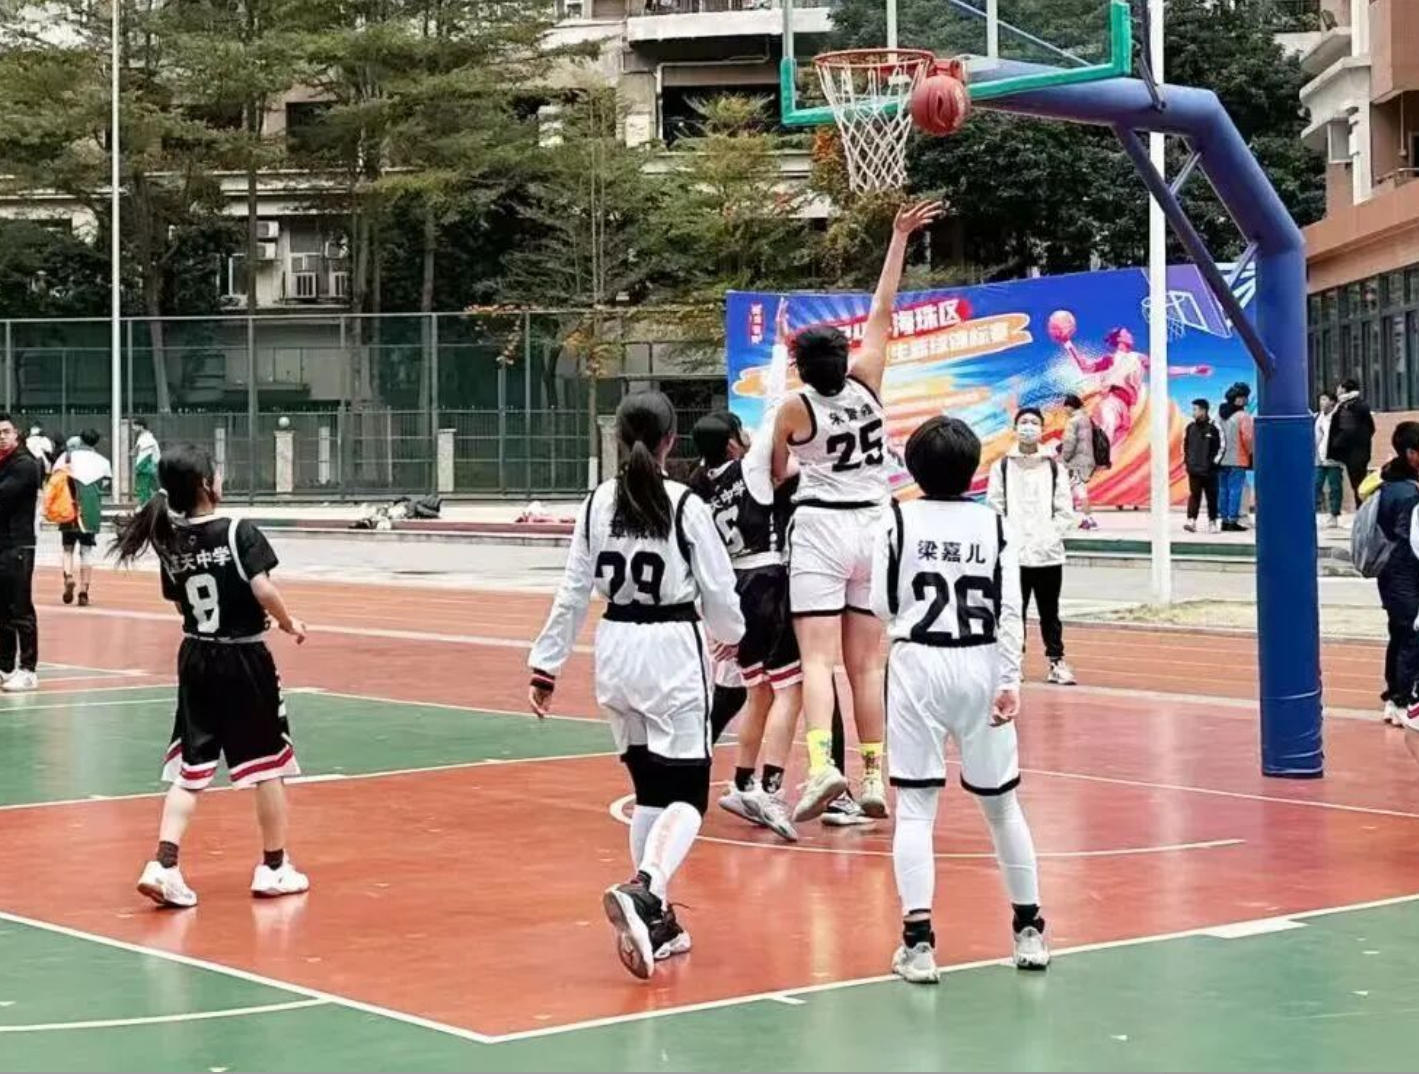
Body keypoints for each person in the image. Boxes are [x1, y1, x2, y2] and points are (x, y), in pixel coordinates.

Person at [528, 391, 744, 980]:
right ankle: (646, 889)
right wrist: (733, 635)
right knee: (689, 795)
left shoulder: (597, 502)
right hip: (671, 650)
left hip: (616, 649)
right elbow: (719, 587)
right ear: (671, 440)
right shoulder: (684, 504)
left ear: (620, 439)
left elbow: (573, 590)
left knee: (650, 790)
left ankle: (659, 920)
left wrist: (546, 666)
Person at [771, 199, 941, 823]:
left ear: (800, 366)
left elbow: (777, 473)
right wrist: (898, 239)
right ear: (844, 359)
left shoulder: (794, 408)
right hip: (876, 524)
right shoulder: (868, 377)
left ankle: (821, 765)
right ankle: (873, 777)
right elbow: (882, 309)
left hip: (821, 524)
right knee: (868, 666)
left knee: (817, 659)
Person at [871, 416, 1049, 983]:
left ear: (914, 468)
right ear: (973, 467)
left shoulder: (897, 520)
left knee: (916, 807)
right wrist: (1010, 679)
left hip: (917, 664)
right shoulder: (994, 525)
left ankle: (919, 944)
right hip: (981, 661)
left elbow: (880, 604)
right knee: (1003, 807)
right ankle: (1029, 932)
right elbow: (1012, 608)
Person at [112, 443, 309, 908]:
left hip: (196, 655)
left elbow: (179, 600)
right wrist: (288, 622)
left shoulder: (170, 538)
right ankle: (274, 867)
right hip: (244, 658)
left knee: (190, 767)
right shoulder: (239, 530)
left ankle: (164, 863)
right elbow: (262, 587)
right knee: (269, 764)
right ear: (206, 483)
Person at [689, 410, 800, 843]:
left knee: (759, 691)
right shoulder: (750, 468)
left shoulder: (702, 489)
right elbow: (778, 417)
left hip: (734, 585)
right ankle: (771, 789)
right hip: (766, 581)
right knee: (792, 688)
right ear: (734, 442)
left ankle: (741, 782)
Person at [987, 407, 1077, 685]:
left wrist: (1050, 535)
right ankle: (1013, 663)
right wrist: (1007, 539)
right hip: (1013, 556)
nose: (1028, 427)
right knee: (1013, 612)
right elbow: (995, 507)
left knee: (1050, 612)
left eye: (1034, 422)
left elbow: (1065, 511)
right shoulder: (1002, 467)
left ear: (1042, 429)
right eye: (1023, 422)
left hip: (1048, 555)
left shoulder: (1054, 468)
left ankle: (1056, 662)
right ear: (1015, 428)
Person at [1369, 423, 1419, 729]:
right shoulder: (1409, 493)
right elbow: (1409, 539)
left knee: (1399, 633)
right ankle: (1403, 701)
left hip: (1390, 572)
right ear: (1412, 453)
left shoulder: (1388, 482)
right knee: (1411, 635)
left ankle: (1393, 698)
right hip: (1404, 572)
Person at [0, 415, 42, 693]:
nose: (1, 437)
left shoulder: (24, 464)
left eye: (6, 431)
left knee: (20, 608)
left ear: (17, 434)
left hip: (18, 545)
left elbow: (3, 497)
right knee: (2, 609)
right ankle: (5, 667)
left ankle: (28, 669)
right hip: (2, 544)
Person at [58, 429, 112, 606]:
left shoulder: (66, 457)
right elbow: (105, 484)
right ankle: (84, 591)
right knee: (86, 551)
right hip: (91, 509)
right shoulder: (103, 462)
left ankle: (68, 577)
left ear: (80, 439)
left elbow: (55, 476)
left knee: (67, 548)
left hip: (70, 507)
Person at [1328, 377, 1375, 504]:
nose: (1337, 390)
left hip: (1356, 452)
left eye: (1339, 388)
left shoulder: (1350, 406)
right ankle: (1361, 508)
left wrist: (1337, 442)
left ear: (1344, 389)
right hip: (1355, 451)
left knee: (1358, 483)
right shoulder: (1346, 405)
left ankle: (1362, 509)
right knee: (1357, 483)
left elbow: (1348, 429)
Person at [1216, 383, 1254, 532]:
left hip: (1220, 458)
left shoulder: (1219, 415)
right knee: (1235, 489)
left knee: (1223, 489)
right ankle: (1233, 520)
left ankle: (1224, 520)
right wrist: (1251, 452)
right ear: (1239, 399)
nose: (1246, 400)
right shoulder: (1243, 416)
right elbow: (1248, 438)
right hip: (1238, 458)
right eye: (1244, 397)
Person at [1058, 393, 1097, 530]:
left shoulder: (1073, 421)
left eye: (1065, 407)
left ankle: (1089, 520)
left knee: (1075, 492)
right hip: (1086, 460)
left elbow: (1069, 442)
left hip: (1076, 462)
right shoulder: (1085, 419)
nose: (1064, 410)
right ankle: (1086, 519)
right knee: (1078, 491)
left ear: (1070, 406)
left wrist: (1064, 457)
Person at [1183, 399, 1221, 533]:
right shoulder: (1190, 428)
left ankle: (1212, 522)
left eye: (1195, 409)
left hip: (1210, 471)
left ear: (1203, 410)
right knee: (1194, 496)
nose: (1193, 412)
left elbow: (1221, 447)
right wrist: (1188, 463)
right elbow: (1186, 446)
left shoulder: (1214, 427)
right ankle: (1191, 521)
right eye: (1193, 409)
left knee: (1212, 497)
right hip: (1194, 469)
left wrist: (1213, 464)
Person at [1314, 390, 1345, 529]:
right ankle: (1312, 512)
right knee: (1315, 485)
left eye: (1325, 399)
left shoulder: (1338, 416)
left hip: (1334, 458)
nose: (1322, 402)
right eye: (1321, 399)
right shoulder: (1318, 417)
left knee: (1335, 487)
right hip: (1319, 458)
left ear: (1332, 402)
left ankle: (1334, 514)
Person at [133, 418, 160, 504]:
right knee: (149, 489)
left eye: (135, 426)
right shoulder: (144, 437)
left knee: (144, 490)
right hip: (148, 468)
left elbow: (147, 456)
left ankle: (145, 506)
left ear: (141, 427)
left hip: (146, 468)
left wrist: (139, 468)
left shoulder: (147, 439)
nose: (133, 428)